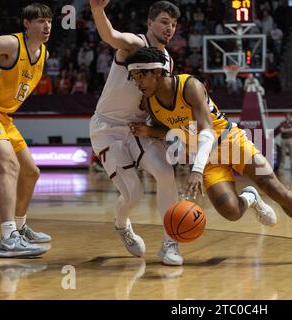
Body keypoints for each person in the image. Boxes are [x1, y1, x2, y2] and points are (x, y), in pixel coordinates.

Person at [127, 47, 292, 265]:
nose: (137, 83)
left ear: (157, 72)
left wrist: (196, 170)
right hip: (206, 157)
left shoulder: (189, 86)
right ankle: (250, 198)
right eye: (134, 78)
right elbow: (177, 131)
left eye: (141, 76)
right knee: (231, 212)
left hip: (230, 141)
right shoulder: (150, 103)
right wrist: (149, 131)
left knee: (274, 187)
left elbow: (206, 131)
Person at [89, 0, 183, 265]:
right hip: (108, 127)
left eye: (174, 24)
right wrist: (97, 10)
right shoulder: (135, 44)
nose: (170, 28)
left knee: (166, 172)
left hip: (138, 127)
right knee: (134, 194)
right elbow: (111, 36)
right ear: (150, 23)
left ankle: (171, 243)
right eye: (164, 22)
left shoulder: (167, 60)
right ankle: (122, 225)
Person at [0, 3, 53, 258]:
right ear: (27, 24)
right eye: (40, 21)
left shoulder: (44, 54)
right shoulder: (9, 44)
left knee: (31, 172)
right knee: (9, 166)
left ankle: (19, 228)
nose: (46, 25)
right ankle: (8, 237)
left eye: (49, 21)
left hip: (5, 117)